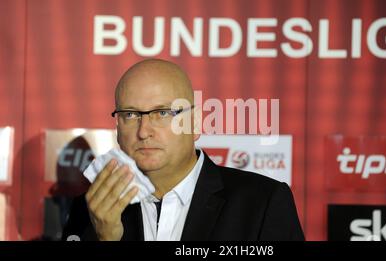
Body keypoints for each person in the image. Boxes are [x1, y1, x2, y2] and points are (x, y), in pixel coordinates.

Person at [62, 58, 305, 241]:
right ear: (117, 126)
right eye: (131, 114)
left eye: (163, 113)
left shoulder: (261, 203)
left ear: (196, 122)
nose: (144, 131)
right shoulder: (91, 208)